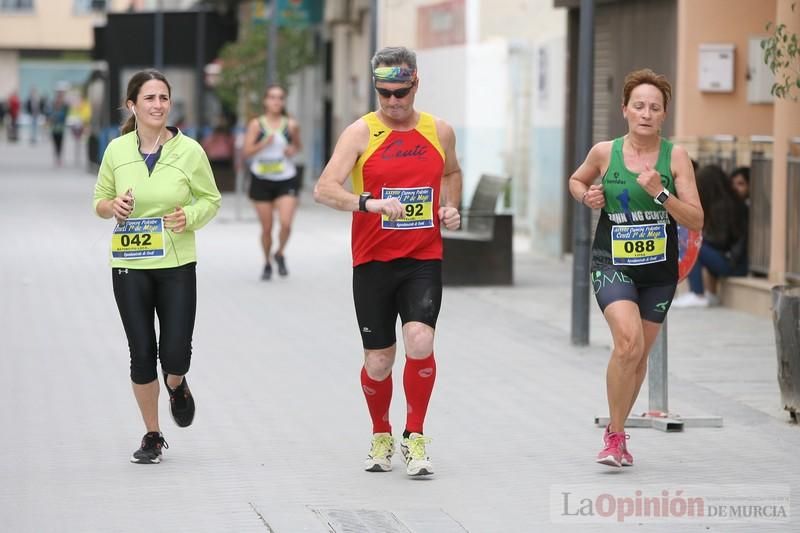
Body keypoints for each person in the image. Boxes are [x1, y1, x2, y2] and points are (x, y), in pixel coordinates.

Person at [314, 46, 462, 477]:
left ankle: (414, 437)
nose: (394, 103)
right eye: (385, 94)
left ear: (416, 83)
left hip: (423, 257)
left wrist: (450, 208)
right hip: (373, 260)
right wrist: (368, 204)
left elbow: (452, 173)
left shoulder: (440, 131)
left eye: (401, 93)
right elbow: (324, 188)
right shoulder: (360, 133)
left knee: (420, 341)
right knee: (379, 361)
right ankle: (382, 432)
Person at [568, 68, 703, 468]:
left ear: (664, 115)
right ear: (625, 109)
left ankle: (619, 432)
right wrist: (587, 196)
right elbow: (577, 180)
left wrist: (660, 193)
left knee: (639, 355)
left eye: (655, 108)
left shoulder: (675, 156)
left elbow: (695, 219)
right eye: (639, 105)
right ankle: (614, 436)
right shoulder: (604, 152)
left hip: (659, 269)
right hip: (612, 262)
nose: (646, 113)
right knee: (627, 342)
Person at [92, 69, 221, 464]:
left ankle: (178, 385)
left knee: (175, 353)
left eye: (163, 98)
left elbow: (210, 199)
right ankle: (152, 433)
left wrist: (190, 216)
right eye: (149, 98)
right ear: (133, 104)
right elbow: (100, 200)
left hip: (177, 263)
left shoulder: (190, 151)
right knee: (142, 351)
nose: (157, 105)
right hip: (130, 263)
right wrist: (112, 207)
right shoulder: (116, 151)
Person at [242, 85, 301, 280]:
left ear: (283, 102)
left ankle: (280, 252)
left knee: (285, 224)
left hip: (286, 178)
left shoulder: (290, 124)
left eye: (280, 98)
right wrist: (263, 144)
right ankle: (267, 261)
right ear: (265, 101)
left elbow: (297, 146)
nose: (276, 101)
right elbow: (246, 152)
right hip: (261, 179)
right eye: (272, 97)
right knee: (267, 228)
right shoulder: (256, 125)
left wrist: (292, 150)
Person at [672, 164, 748, 308]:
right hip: (733, 261)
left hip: (734, 264)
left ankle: (697, 293)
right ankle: (708, 294)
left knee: (695, 247)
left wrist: (702, 238)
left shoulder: (723, 207)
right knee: (697, 245)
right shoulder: (729, 203)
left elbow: (720, 241)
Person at [48, 89, 68, 166]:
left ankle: (59, 157)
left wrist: (56, 116)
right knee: (55, 143)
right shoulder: (53, 105)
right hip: (54, 129)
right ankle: (57, 156)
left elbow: (64, 116)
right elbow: (50, 114)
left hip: (60, 129)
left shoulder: (64, 106)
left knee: (60, 143)